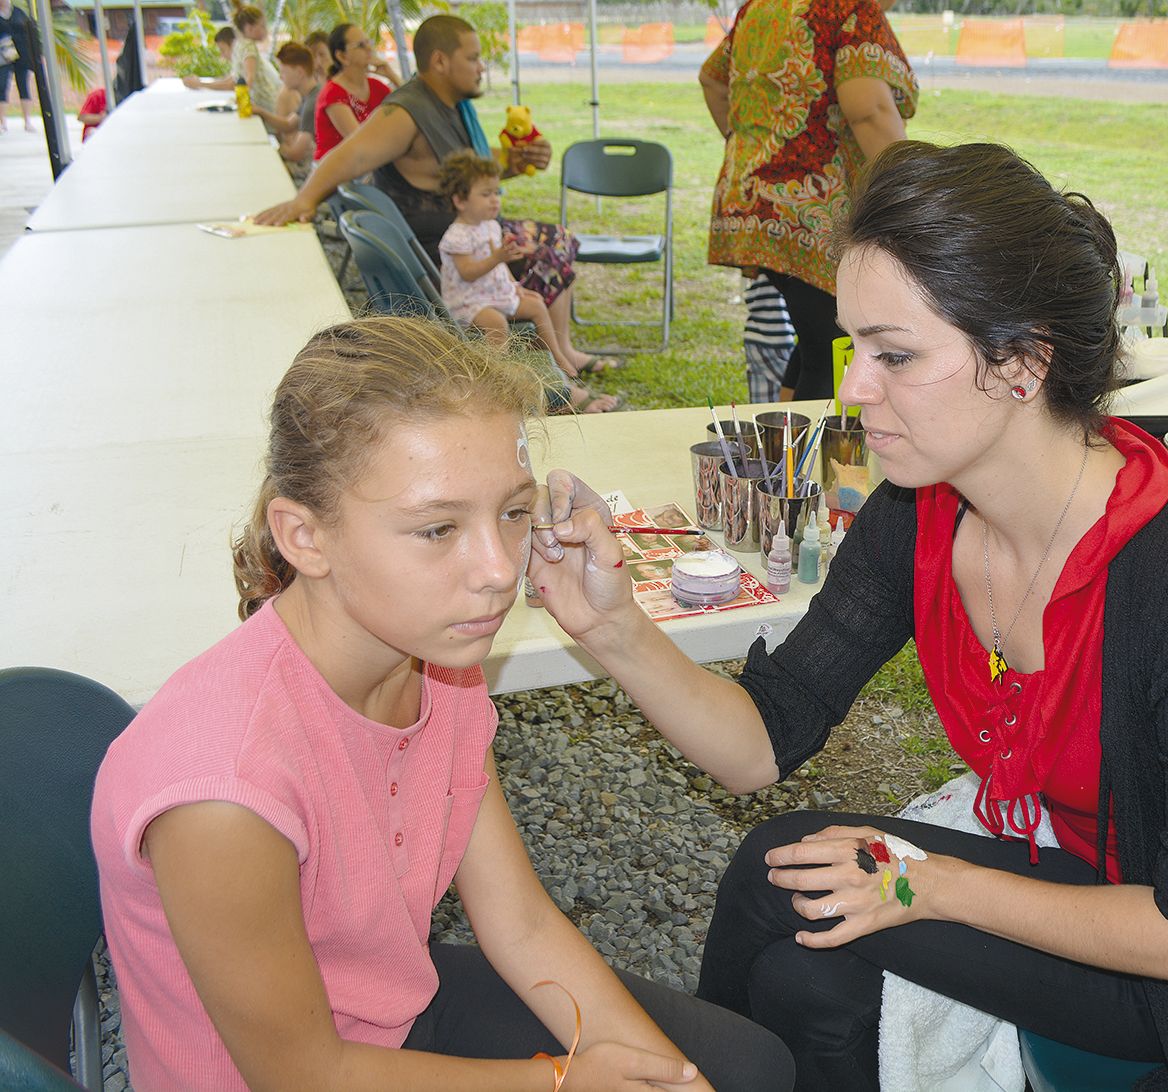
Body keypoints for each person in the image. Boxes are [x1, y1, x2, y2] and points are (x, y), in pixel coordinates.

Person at [525, 141, 1168, 1091]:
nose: (856, 389)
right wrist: (611, 627)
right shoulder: (919, 510)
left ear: (1022, 363)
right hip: (1054, 853)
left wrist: (924, 882)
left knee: (779, 875)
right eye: (858, 348)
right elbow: (760, 745)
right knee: (806, 979)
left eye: (895, 355)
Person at [90, 316, 794, 1092]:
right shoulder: (223, 788)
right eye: (437, 529)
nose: (497, 570)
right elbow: (304, 1075)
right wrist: (560, 1083)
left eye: (515, 512)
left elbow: (520, 924)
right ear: (304, 536)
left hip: (388, 1021)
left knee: (744, 1071)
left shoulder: (438, 667)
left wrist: (670, 1079)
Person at [253, 15, 613, 378]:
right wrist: (305, 200)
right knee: (551, 247)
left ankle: (558, 355)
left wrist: (516, 162)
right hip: (448, 250)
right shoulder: (406, 111)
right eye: (472, 58)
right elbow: (351, 155)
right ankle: (550, 368)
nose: (480, 67)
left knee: (556, 241)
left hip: (467, 233)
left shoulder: (447, 107)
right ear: (440, 61)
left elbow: (462, 172)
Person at [699, 0, 917, 401]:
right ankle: (806, 462)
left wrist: (749, 142)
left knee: (816, 333)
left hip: (754, 200)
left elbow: (712, 79)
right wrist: (913, 190)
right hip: (813, 209)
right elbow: (868, 109)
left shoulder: (762, 6)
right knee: (832, 347)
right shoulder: (851, 8)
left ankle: (785, 447)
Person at [438, 149, 618, 412]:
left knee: (535, 303)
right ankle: (496, 377)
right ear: (460, 200)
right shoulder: (457, 235)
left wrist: (514, 286)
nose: (494, 201)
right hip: (468, 301)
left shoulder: (489, 226)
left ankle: (558, 357)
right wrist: (498, 257)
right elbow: (468, 272)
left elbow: (499, 271)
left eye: (497, 193)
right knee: (495, 323)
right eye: (485, 194)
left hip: (491, 293)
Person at [314, 22, 392, 161]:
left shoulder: (377, 87)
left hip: (367, 167)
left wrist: (392, 75)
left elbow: (410, 112)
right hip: (336, 174)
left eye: (368, 43)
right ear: (342, 56)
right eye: (361, 45)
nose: (369, 48)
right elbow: (360, 142)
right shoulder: (333, 94)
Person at [184, 5, 280, 114]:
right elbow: (238, 79)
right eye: (262, 26)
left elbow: (248, 79)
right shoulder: (244, 45)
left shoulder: (246, 46)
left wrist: (200, 84)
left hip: (265, 106)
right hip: (263, 104)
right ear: (250, 28)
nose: (265, 30)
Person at [256, 42, 319, 168]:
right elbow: (288, 124)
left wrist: (278, 147)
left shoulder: (312, 104)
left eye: (283, 71)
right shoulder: (311, 95)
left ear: (300, 72)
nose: (280, 77)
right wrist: (260, 112)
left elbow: (295, 154)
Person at [741, 272, 796, 404]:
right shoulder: (778, 269)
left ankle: (764, 423)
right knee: (793, 386)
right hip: (774, 338)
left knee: (762, 395)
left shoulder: (766, 268)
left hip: (755, 336)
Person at [0, 0, 37, 134]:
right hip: (3, 56)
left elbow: (30, 33)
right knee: (2, 86)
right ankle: (2, 122)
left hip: (22, 54)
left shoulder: (19, 13)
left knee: (24, 86)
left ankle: (27, 121)